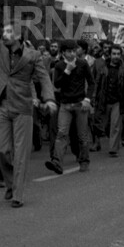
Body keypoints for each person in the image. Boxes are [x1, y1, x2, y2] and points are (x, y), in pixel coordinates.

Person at [0, 26, 56, 208]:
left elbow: (44, 78)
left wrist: (49, 99)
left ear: (18, 36)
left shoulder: (33, 55)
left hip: (23, 107)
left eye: (9, 32)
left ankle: (18, 194)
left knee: (21, 154)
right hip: (2, 105)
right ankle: (10, 183)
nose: (4, 35)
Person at [47, 40, 96, 174]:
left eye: (74, 51)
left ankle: (84, 161)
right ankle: (57, 162)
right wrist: (67, 71)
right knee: (62, 133)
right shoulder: (59, 66)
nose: (72, 54)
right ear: (63, 53)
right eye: (69, 51)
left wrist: (87, 99)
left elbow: (92, 83)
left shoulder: (82, 64)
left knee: (82, 135)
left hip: (80, 104)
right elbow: (57, 84)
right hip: (65, 104)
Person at [98, 44, 124, 157]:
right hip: (105, 100)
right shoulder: (103, 68)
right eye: (114, 54)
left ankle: (113, 148)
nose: (116, 56)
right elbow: (98, 84)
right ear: (110, 55)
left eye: (118, 54)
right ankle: (112, 142)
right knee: (106, 126)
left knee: (115, 125)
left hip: (118, 100)